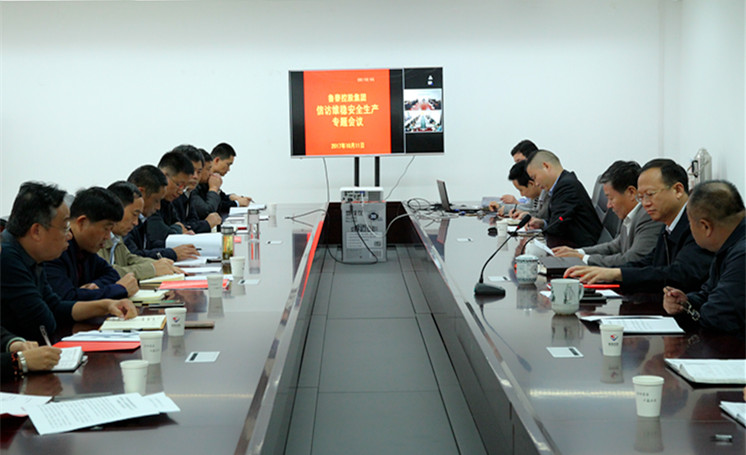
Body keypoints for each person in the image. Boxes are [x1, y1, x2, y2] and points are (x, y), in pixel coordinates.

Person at [1, 182, 137, 341]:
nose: (69, 235)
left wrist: (106, 305)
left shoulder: (31, 255)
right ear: (37, 231)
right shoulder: (7, 258)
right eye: (64, 227)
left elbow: (56, 306)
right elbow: (44, 324)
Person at [565, 159, 714, 293]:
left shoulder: (697, 225)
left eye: (650, 194)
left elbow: (679, 274)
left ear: (678, 190)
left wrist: (617, 273)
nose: (645, 203)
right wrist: (609, 273)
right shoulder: (668, 223)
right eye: (641, 197)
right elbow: (649, 261)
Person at [662, 180, 745, 336]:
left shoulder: (742, 254)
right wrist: (685, 302)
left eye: (690, 224)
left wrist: (694, 311)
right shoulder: (728, 245)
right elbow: (708, 293)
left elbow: (719, 315)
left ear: (705, 226)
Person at [552, 160, 663, 266]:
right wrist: (577, 252)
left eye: (611, 198)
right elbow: (615, 246)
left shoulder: (648, 216)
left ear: (631, 192)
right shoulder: (630, 214)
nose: (608, 205)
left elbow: (633, 259)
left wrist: (584, 258)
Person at [44, 187, 139, 301]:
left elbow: (112, 274)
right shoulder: (55, 250)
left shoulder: (85, 250)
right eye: (106, 229)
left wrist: (95, 287)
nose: (108, 237)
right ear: (82, 222)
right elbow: (66, 298)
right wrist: (119, 289)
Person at [99, 181, 183, 280]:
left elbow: (130, 259)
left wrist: (158, 264)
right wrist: (152, 269)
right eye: (134, 214)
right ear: (116, 210)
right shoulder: (97, 237)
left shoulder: (116, 236)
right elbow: (105, 272)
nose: (136, 223)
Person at [525, 150, 603, 247]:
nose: (536, 183)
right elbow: (558, 221)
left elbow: (557, 228)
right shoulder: (563, 182)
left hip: (581, 247)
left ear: (546, 166)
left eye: (534, 177)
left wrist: (545, 226)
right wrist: (542, 223)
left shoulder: (566, 186)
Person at [124, 165, 199, 261]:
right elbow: (133, 256)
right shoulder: (125, 220)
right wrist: (172, 253)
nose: (158, 207)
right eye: (156, 200)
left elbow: (149, 246)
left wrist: (178, 246)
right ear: (141, 193)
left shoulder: (141, 218)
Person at [144, 150, 195, 248]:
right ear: (164, 176)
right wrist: (178, 229)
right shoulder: (150, 200)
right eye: (179, 185)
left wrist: (177, 228)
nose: (181, 192)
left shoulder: (167, 201)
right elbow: (160, 235)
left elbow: (179, 224)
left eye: (184, 187)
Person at [172, 145, 221, 233]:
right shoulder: (172, 195)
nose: (195, 176)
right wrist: (207, 224)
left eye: (199, 172)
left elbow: (192, 221)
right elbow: (180, 227)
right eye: (191, 171)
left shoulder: (188, 191)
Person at [210, 142, 251, 213]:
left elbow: (220, 198)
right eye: (228, 164)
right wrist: (237, 203)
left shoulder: (214, 177)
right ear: (217, 160)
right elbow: (214, 205)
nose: (229, 169)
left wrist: (231, 197)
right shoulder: (202, 179)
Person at [191, 149, 223, 219]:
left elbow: (219, 205)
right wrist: (213, 188)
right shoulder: (191, 189)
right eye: (208, 169)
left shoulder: (203, 185)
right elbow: (207, 212)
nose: (211, 173)